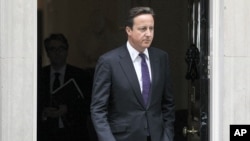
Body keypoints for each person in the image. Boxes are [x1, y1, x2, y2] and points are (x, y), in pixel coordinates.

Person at [91, 7, 175, 141]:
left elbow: (168, 105)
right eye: (143, 29)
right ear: (128, 30)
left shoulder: (161, 58)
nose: (148, 34)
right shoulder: (109, 62)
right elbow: (98, 110)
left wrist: (167, 136)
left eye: (151, 28)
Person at [37, 33, 93, 141]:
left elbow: (89, 104)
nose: (57, 53)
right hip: (46, 134)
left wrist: (67, 109)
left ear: (67, 51)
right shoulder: (39, 76)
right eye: (52, 49)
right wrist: (43, 113)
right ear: (47, 53)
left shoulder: (81, 76)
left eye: (61, 48)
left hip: (74, 134)